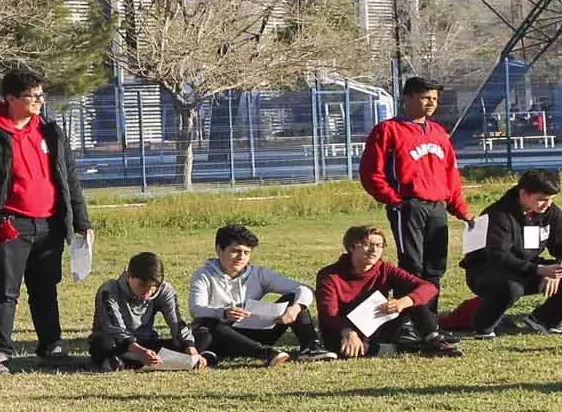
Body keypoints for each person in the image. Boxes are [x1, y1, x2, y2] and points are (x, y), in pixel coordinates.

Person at [0, 70, 93, 375]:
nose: (39, 101)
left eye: (41, 95)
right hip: (8, 224)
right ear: (10, 99)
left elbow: (68, 176)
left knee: (46, 288)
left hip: (48, 224)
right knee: (5, 290)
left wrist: (81, 219)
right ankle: (0, 353)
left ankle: (51, 345)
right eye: (32, 96)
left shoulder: (50, 131)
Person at [359, 76, 474, 313]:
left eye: (434, 99)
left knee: (435, 266)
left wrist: (460, 209)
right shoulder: (388, 130)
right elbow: (371, 173)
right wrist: (395, 200)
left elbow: (450, 173)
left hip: (437, 206)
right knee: (412, 265)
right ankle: (406, 321)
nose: (431, 103)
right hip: (408, 206)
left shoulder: (439, 132)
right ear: (408, 98)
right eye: (425, 98)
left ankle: (429, 319)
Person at [459, 169, 562, 338]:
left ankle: (544, 320)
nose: (547, 204)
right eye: (541, 200)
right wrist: (539, 270)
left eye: (551, 199)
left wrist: (558, 271)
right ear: (523, 193)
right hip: (488, 270)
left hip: (528, 266)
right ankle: (483, 327)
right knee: (510, 288)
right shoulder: (497, 214)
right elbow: (498, 257)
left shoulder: (551, 212)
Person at [188, 224, 337, 366]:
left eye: (246, 253)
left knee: (293, 299)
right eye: (235, 251)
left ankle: (310, 347)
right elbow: (196, 309)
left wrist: (296, 308)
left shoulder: (258, 274)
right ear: (219, 250)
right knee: (208, 322)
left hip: (254, 330)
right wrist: (223, 312)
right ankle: (264, 353)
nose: (241, 257)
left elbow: (304, 289)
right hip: (221, 335)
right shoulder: (203, 275)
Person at [315, 226, 465, 358]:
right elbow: (328, 313)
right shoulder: (329, 275)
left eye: (380, 245)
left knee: (412, 295)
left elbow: (429, 287)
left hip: (376, 324)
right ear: (352, 246)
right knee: (343, 350)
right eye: (368, 245)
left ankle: (435, 341)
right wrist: (347, 331)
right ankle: (404, 348)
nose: (375, 250)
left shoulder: (384, 268)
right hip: (344, 330)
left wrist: (405, 301)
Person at [90, 253, 207, 371]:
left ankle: (128, 362)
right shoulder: (109, 290)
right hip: (118, 343)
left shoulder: (163, 290)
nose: (147, 291)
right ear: (128, 276)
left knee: (202, 336)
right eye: (142, 285)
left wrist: (191, 349)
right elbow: (114, 329)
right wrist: (139, 351)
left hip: (146, 342)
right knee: (102, 344)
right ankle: (126, 360)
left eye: (153, 286)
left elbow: (177, 322)